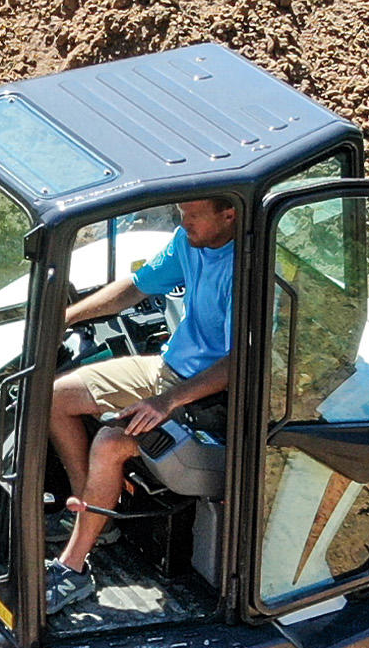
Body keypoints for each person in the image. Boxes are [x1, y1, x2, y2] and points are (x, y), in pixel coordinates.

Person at [44, 195, 239, 616]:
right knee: (56, 397)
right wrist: (66, 317)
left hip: (208, 395)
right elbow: (135, 287)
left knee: (111, 443)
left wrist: (166, 402)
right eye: (181, 214)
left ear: (230, 214)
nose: (183, 222)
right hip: (168, 369)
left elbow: (240, 361)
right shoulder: (190, 242)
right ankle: (98, 517)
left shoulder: (248, 271)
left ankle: (72, 569)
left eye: (192, 216)